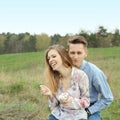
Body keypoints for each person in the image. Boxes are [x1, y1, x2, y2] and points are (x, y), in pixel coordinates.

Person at [67, 36, 114, 120]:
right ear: (68, 53)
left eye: (79, 53)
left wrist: (88, 111)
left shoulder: (94, 72)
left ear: (85, 53)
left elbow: (108, 97)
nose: (75, 56)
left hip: (89, 108)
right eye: (72, 53)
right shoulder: (63, 70)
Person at [40, 44, 90, 120]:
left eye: (54, 56)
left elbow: (86, 102)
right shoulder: (55, 79)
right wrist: (50, 95)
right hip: (59, 116)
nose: (50, 60)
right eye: (48, 58)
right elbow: (54, 106)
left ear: (63, 56)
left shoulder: (80, 75)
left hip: (78, 117)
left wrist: (71, 101)